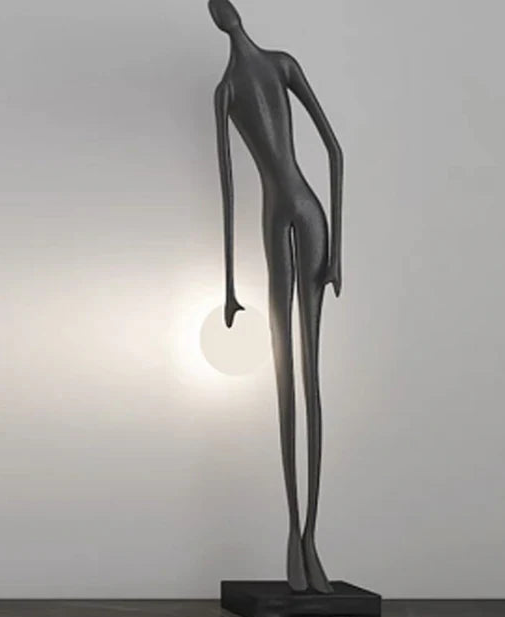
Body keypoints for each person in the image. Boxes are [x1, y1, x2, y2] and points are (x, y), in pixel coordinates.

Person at [209, 0, 343, 594]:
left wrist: (338, 252)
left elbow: (335, 150)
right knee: (286, 373)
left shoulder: (281, 65)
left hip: (305, 214)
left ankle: (310, 534)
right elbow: (228, 188)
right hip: (279, 218)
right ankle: (296, 532)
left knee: (308, 375)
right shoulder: (225, 91)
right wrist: (229, 283)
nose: (225, 15)